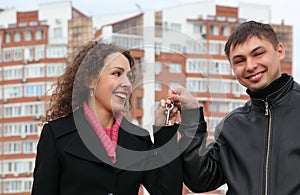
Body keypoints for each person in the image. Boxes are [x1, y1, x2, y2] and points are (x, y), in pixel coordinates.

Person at [165, 20, 300, 194]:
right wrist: (191, 117)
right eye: (239, 61)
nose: (250, 66)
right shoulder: (233, 125)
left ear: (279, 51)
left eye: (258, 54)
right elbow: (201, 179)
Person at [31, 41, 182, 195]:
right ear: (90, 81)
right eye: (116, 73)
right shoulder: (57, 135)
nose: (127, 84)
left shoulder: (138, 139)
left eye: (129, 76)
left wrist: (165, 129)